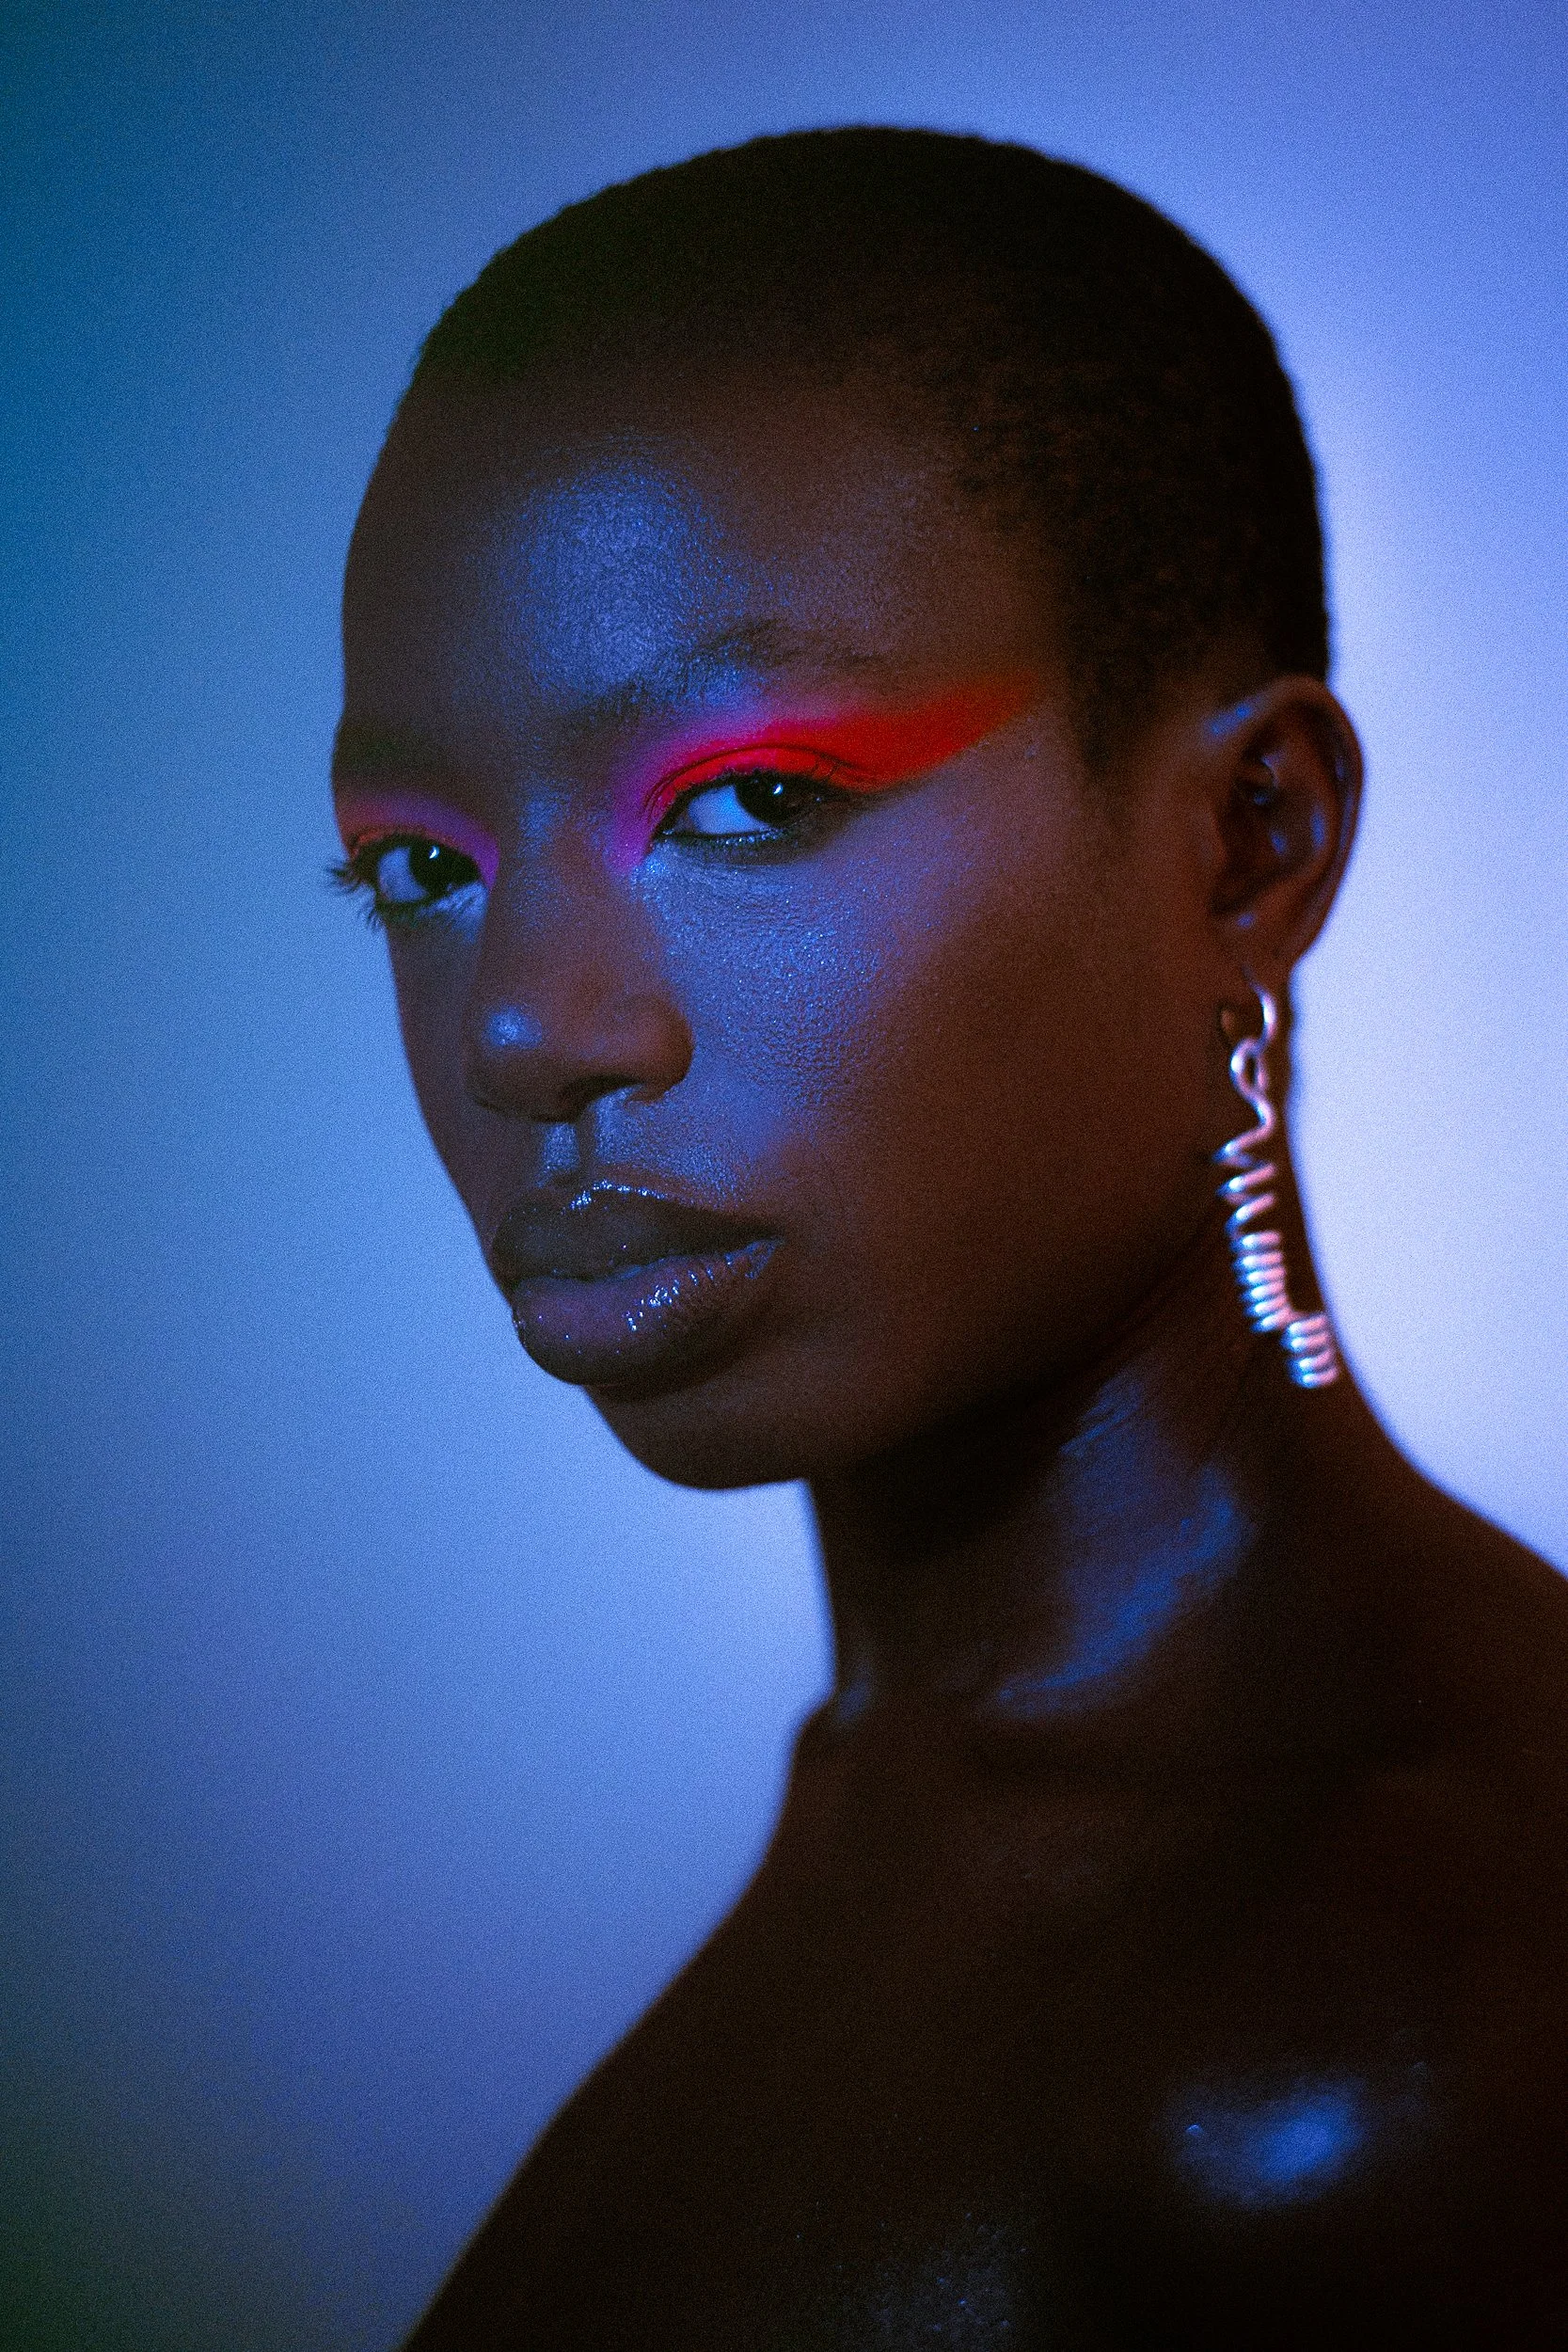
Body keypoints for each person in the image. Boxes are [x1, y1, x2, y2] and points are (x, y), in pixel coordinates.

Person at [333, 130, 1568, 2349]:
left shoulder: (1380, 2054)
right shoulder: (956, 1789)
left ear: (1247, 842)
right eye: (419, 863)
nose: (528, 1019)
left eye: (748, 800)